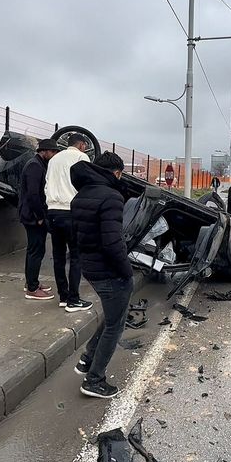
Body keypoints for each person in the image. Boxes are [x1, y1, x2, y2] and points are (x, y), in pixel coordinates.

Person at [70, 152, 134, 399]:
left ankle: (87, 359)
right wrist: (126, 271)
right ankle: (94, 380)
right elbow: (113, 243)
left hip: (91, 268)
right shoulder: (112, 197)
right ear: (116, 172)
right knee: (115, 326)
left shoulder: (80, 196)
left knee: (111, 316)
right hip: (109, 272)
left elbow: (76, 237)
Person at [44, 133, 93, 312]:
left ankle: (63, 297)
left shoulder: (54, 160)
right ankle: (74, 300)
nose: (86, 149)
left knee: (58, 257)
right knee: (76, 256)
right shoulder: (81, 157)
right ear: (81, 145)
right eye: (85, 146)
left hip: (53, 212)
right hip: (72, 212)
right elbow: (86, 185)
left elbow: (47, 184)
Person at [19, 138, 61, 300]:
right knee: (36, 251)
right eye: (53, 151)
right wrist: (40, 218)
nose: (54, 154)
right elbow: (33, 195)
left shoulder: (38, 164)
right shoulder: (34, 166)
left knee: (34, 250)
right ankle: (32, 289)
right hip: (33, 217)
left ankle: (31, 282)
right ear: (44, 151)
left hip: (32, 215)